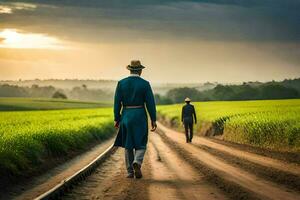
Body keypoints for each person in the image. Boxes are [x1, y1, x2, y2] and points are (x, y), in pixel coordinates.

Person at [113, 60, 157, 179]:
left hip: (126, 115)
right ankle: (137, 161)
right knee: (141, 142)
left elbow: (117, 103)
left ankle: (130, 172)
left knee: (128, 144)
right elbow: (150, 104)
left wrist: (117, 118)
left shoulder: (121, 83)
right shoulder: (145, 84)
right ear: (140, 71)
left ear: (130, 70)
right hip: (140, 116)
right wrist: (153, 119)